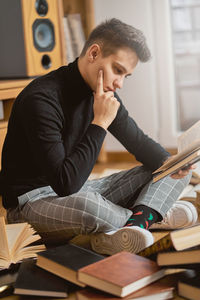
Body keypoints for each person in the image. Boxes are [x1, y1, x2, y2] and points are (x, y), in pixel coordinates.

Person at [0, 18, 197, 255]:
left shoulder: (103, 93)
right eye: (118, 70)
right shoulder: (41, 99)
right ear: (94, 53)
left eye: (126, 76)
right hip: (30, 204)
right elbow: (65, 184)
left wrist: (173, 164)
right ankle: (151, 216)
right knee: (90, 207)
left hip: (81, 188)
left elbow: (139, 143)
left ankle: (133, 225)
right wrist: (100, 122)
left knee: (171, 172)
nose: (120, 83)